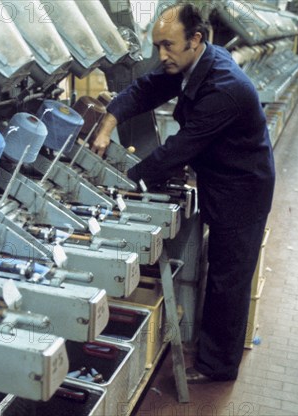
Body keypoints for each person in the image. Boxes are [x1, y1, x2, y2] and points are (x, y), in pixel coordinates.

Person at [92, 3, 275, 383]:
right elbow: (145, 89)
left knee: (229, 277)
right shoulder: (192, 64)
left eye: (168, 45)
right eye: (157, 45)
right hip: (219, 177)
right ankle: (214, 349)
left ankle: (218, 368)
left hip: (241, 189)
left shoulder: (225, 88)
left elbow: (180, 148)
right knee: (222, 270)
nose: (162, 55)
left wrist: (123, 184)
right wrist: (108, 122)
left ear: (196, 39)